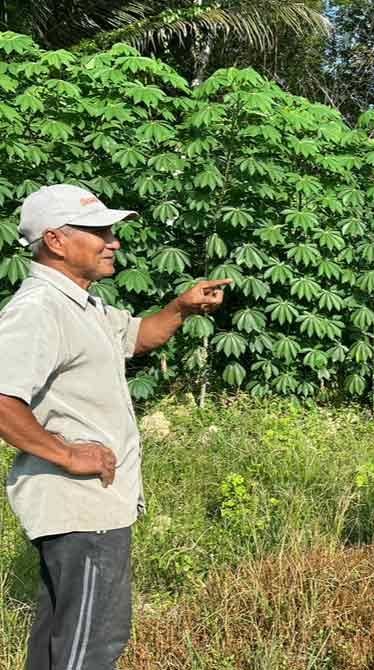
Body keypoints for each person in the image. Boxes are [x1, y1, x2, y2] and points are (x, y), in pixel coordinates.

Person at [0, 184, 232, 669]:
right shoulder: (39, 308)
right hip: (80, 507)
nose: (113, 241)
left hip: (90, 507)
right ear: (56, 240)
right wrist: (66, 453)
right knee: (92, 645)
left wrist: (180, 309)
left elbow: (137, 337)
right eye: (98, 231)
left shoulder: (80, 304)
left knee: (58, 643)